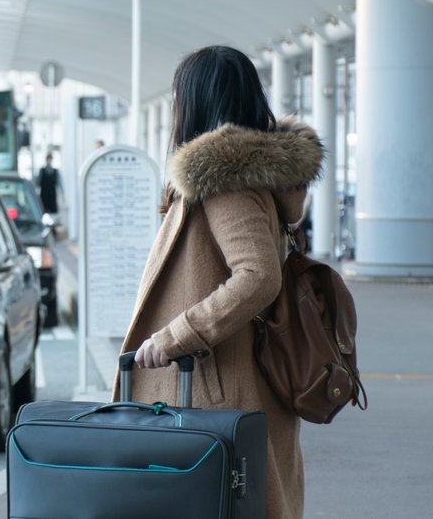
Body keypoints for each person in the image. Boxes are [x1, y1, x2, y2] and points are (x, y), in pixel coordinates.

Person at [116, 45, 322, 519]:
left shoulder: (225, 179)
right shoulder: (249, 179)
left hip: (211, 391)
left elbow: (258, 277)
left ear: (197, 102)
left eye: (178, 97)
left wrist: (177, 337)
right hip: (236, 385)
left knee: (221, 502)